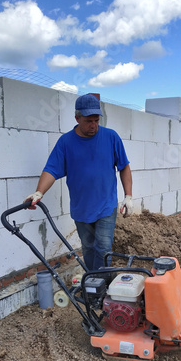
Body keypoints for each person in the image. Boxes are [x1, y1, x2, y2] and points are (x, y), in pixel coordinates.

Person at [25, 93, 133, 270]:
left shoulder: (111, 137)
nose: (94, 125)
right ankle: (92, 282)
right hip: (81, 208)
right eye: (89, 121)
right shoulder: (66, 142)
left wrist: (128, 196)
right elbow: (51, 169)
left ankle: (101, 284)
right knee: (89, 248)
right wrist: (39, 192)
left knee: (103, 248)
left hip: (106, 205)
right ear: (77, 118)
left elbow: (124, 167)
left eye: (97, 120)